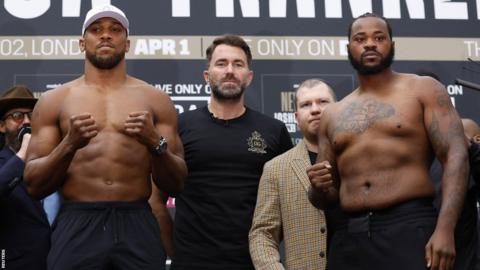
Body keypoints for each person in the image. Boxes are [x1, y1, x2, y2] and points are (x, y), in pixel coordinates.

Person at [23, 4, 187, 270]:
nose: (106, 35)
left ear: (128, 43)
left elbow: (178, 182)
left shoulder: (155, 100)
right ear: (81, 42)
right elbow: (33, 184)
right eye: (96, 30)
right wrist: (69, 145)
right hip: (77, 221)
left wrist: (154, 143)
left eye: (115, 30)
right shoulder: (55, 101)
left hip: (137, 221)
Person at [308, 13, 469, 270]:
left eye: (379, 37)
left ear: (392, 45)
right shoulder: (333, 114)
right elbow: (326, 195)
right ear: (348, 47)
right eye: (360, 38)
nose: (370, 44)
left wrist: (445, 229)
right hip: (350, 237)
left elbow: (456, 156)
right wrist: (317, 187)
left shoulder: (423, 90)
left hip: (409, 227)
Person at [171, 34, 293, 270]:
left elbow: (288, 201)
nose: (229, 70)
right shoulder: (181, 125)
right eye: (221, 63)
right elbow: (158, 194)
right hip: (191, 261)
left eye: (238, 64)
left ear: (249, 76)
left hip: (254, 261)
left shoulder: (273, 130)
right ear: (207, 75)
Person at [249, 79, 336, 270]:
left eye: (323, 102)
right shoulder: (276, 168)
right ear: (296, 117)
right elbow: (263, 234)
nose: (315, 109)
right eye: (306, 104)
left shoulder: (356, 158)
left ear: (337, 109)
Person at [0, 85, 51, 270]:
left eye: (32, 116)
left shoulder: (56, 161)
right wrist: (22, 155)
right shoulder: (4, 164)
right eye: (17, 116)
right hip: (15, 263)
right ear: (2, 125)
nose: (26, 122)